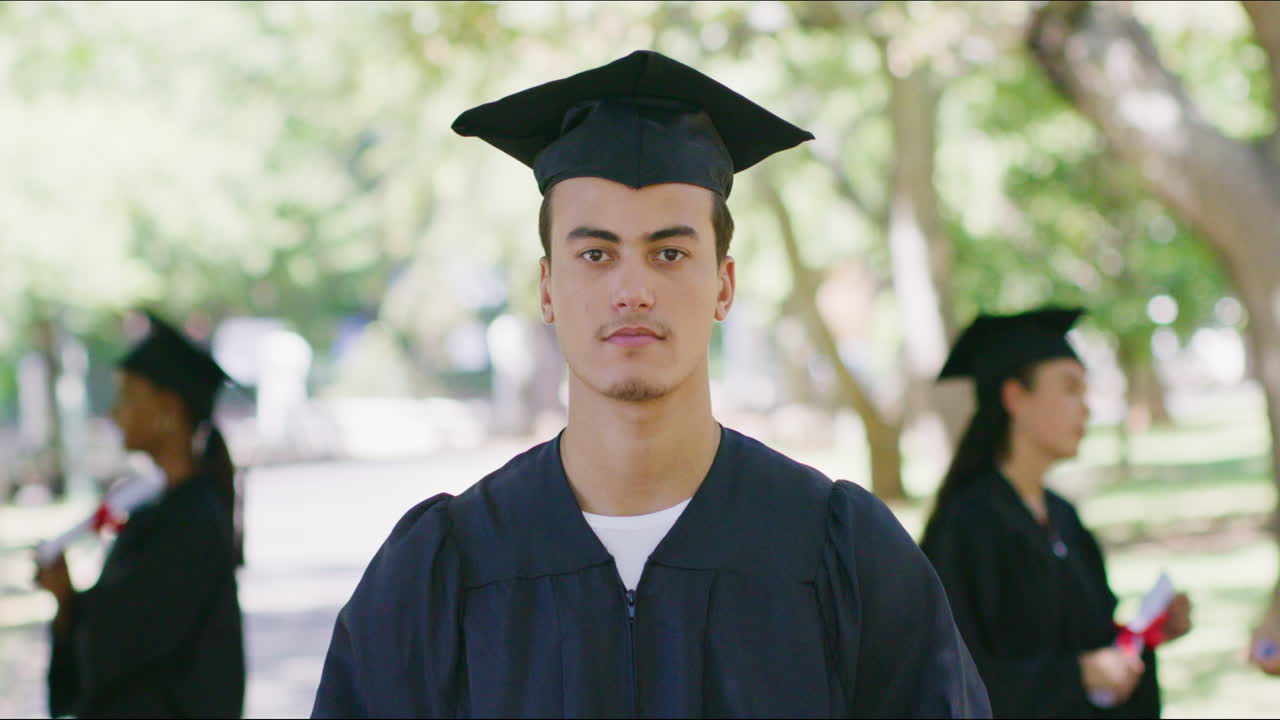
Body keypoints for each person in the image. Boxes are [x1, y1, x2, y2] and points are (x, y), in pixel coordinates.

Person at [311, 50, 990, 718]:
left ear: (723, 285)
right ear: (548, 288)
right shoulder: (447, 567)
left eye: (670, 253)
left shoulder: (841, 551)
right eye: (596, 254)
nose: (632, 290)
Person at [921, 307, 1192, 718]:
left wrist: (1142, 637)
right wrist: (1077, 676)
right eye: (1071, 389)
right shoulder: (966, 526)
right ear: (1014, 397)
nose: (1086, 408)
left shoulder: (1063, 516)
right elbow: (951, 674)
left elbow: (1085, 638)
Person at [34, 311, 245, 718]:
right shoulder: (170, 510)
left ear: (168, 410)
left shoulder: (189, 522)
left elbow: (125, 647)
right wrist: (69, 604)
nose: (115, 414)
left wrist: (73, 610)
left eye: (128, 396)